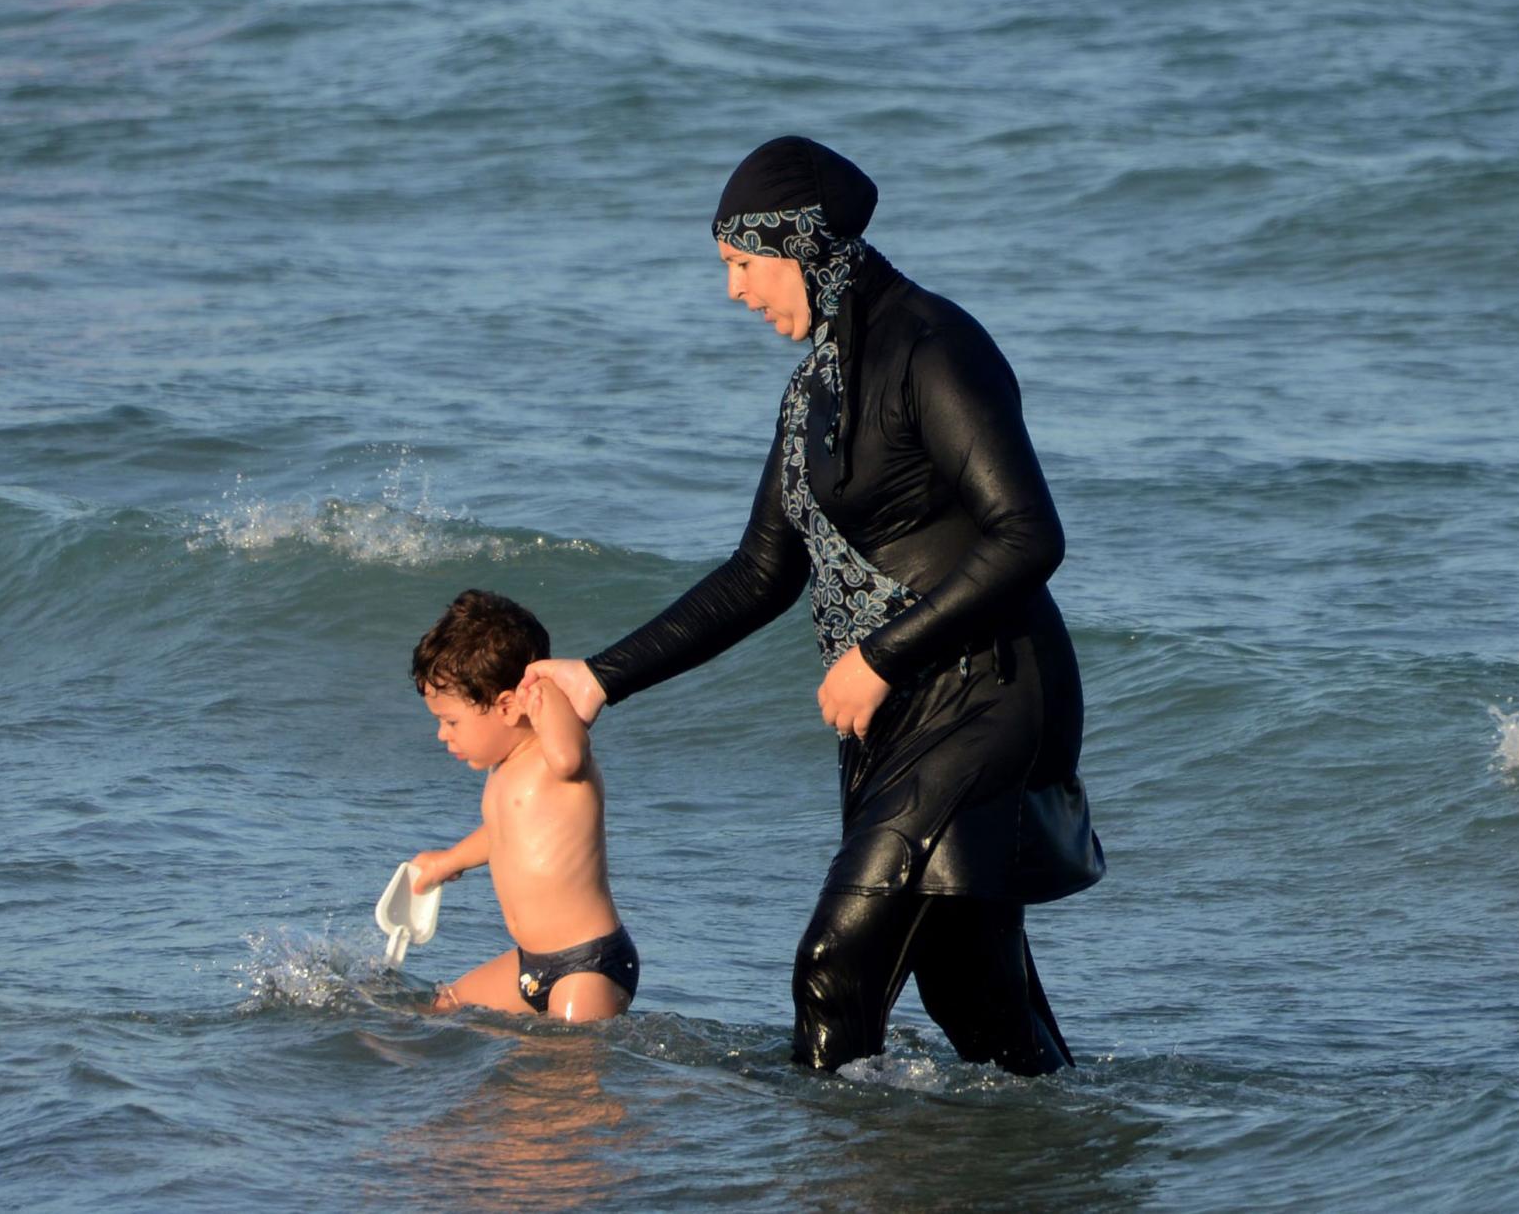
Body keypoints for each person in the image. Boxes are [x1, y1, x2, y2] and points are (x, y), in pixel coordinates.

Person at [524, 136, 1104, 1076]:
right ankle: (1069, 1161)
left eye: (743, 264)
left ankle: (824, 1172)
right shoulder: (813, 392)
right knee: (974, 996)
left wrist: (878, 656)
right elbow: (761, 571)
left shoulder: (935, 348)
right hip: (903, 711)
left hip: (988, 693)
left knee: (835, 965)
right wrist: (599, 677)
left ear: (802, 244)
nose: (735, 292)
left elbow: (1029, 536)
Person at [406, 589, 638, 1022]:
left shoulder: (555, 756)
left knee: (565, 1070)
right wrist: (447, 861)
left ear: (509, 705)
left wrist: (545, 693)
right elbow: (503, 836)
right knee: (443, 1008)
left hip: (587, 965)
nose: (442, 735)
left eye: (450, 721)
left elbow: (571, 756)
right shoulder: (504, 771)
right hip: (530, 965)